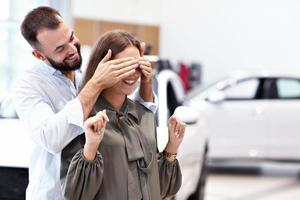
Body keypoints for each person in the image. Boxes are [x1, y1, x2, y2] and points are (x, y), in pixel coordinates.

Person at [13, 6, 157, 200]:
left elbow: (128, 116)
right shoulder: (28, 85)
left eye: (71, 38)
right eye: (60, 48)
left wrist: (145, 82)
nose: (72, 50)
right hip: (54, 195)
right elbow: (51, 139)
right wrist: (96, 83)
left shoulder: (83, 75)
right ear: (39, 55)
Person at [60, 30, 186, 200]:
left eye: (136, 66)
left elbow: (161, 189)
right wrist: (91, 147)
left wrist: (172, 145)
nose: (132, 73)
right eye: (122, 66)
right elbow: (75, 194)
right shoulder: (85, 118)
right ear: (103, 66)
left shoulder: (144, 116)